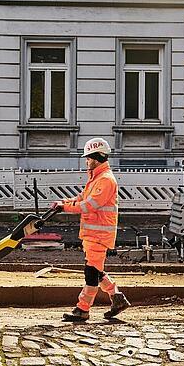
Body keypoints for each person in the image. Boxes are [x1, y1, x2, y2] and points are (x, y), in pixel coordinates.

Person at [51, 137, 130, 321]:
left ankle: (82, 309)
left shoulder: (105, 180)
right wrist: (63, 203)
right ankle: (117, 298)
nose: (86, 161)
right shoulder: (96, 179)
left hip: (99, 235)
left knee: (91, 274)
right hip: (93, 234)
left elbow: (88, 205)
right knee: (96, 271)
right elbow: (80, 198)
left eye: (88, 158)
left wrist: (65, 207)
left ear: (97, 157)